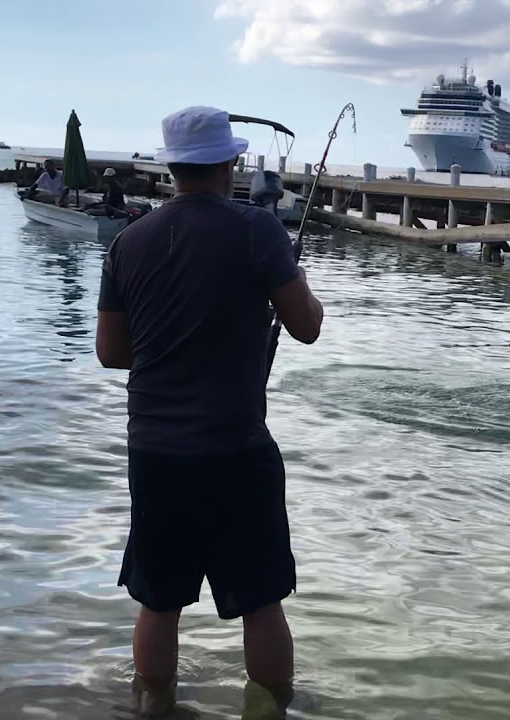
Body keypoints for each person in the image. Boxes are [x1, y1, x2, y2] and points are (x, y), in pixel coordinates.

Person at [94, 105, 324, 717]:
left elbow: (112, 353)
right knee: (261, 598)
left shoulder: (126, 242)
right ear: (230, 163)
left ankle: (152, 707)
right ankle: (273, 708)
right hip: (235, 446)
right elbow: (307, 327)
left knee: (158, 598)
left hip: (154, 449)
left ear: (172, 167)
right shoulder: (258, 230)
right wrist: (294, 280)